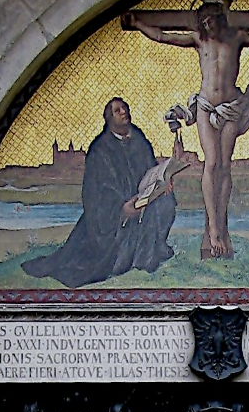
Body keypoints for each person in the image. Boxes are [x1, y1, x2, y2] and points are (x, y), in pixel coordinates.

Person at [122, 0, 249, 259]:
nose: (208, 24)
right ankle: (213, 229)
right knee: (211, 164)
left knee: (224, 166)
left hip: (232, 106)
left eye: (211, 19)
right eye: (204, 21)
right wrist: (138, 23)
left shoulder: (237, 37)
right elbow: (163, 36)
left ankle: (221, 226)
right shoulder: (199, 40)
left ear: (220, 19)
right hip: (206, 106)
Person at [22, 98, 190, 288]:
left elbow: (151, 168)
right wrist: (121, 209)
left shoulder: (138, 139)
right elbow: (96, 194)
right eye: (117, 110)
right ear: (109, 118)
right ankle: (127, 260)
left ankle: (151, 252)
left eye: (125, 108)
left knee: (166, 202)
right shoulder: (99, 149)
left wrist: (163, 182)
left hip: (143, 199)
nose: (124, 112)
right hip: (112, 217)